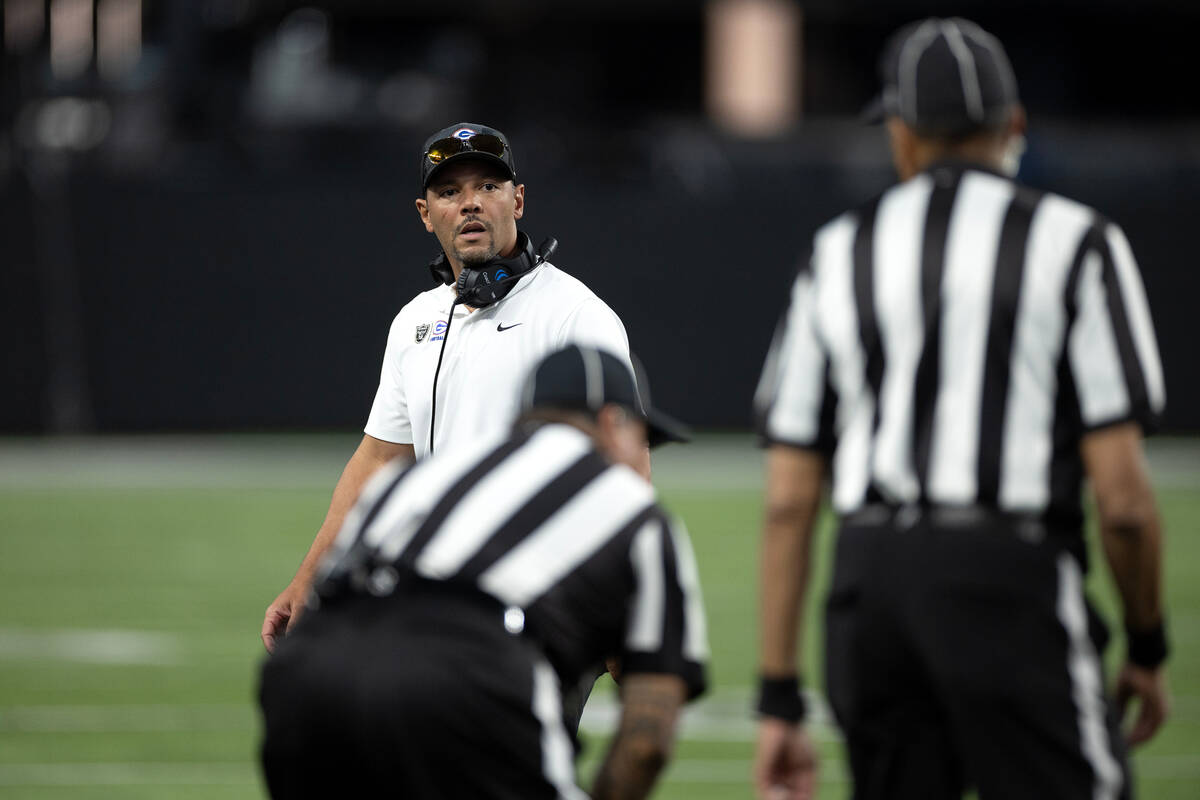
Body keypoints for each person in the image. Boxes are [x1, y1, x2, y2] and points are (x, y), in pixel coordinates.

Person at [752, 18, 1169, 800]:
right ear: (1013, 125)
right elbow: (1123, 501)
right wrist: (1146, 641)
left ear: (900, 134)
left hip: (868, 586)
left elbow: (787, 499)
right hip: (1005, 577)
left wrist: (778, 692)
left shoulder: (838, 251)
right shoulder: (1074, 241)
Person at [258, 344, 707, 800]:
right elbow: (647, 741)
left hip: (305, 683)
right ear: (614, 423)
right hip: (466, 680)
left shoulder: (417, 478)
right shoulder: (633, 511)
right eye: (644, 439)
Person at [262, 122, 636, 653]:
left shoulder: (576, 316)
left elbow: (623, 464)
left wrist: (619, 605)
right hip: (433, 603)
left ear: (518, 200)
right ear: (425, 213)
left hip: (542, 606)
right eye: (449, 192)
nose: (470, 204)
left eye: (488, 186)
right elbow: (378, 460)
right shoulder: (415, 319)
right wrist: (309, 579)